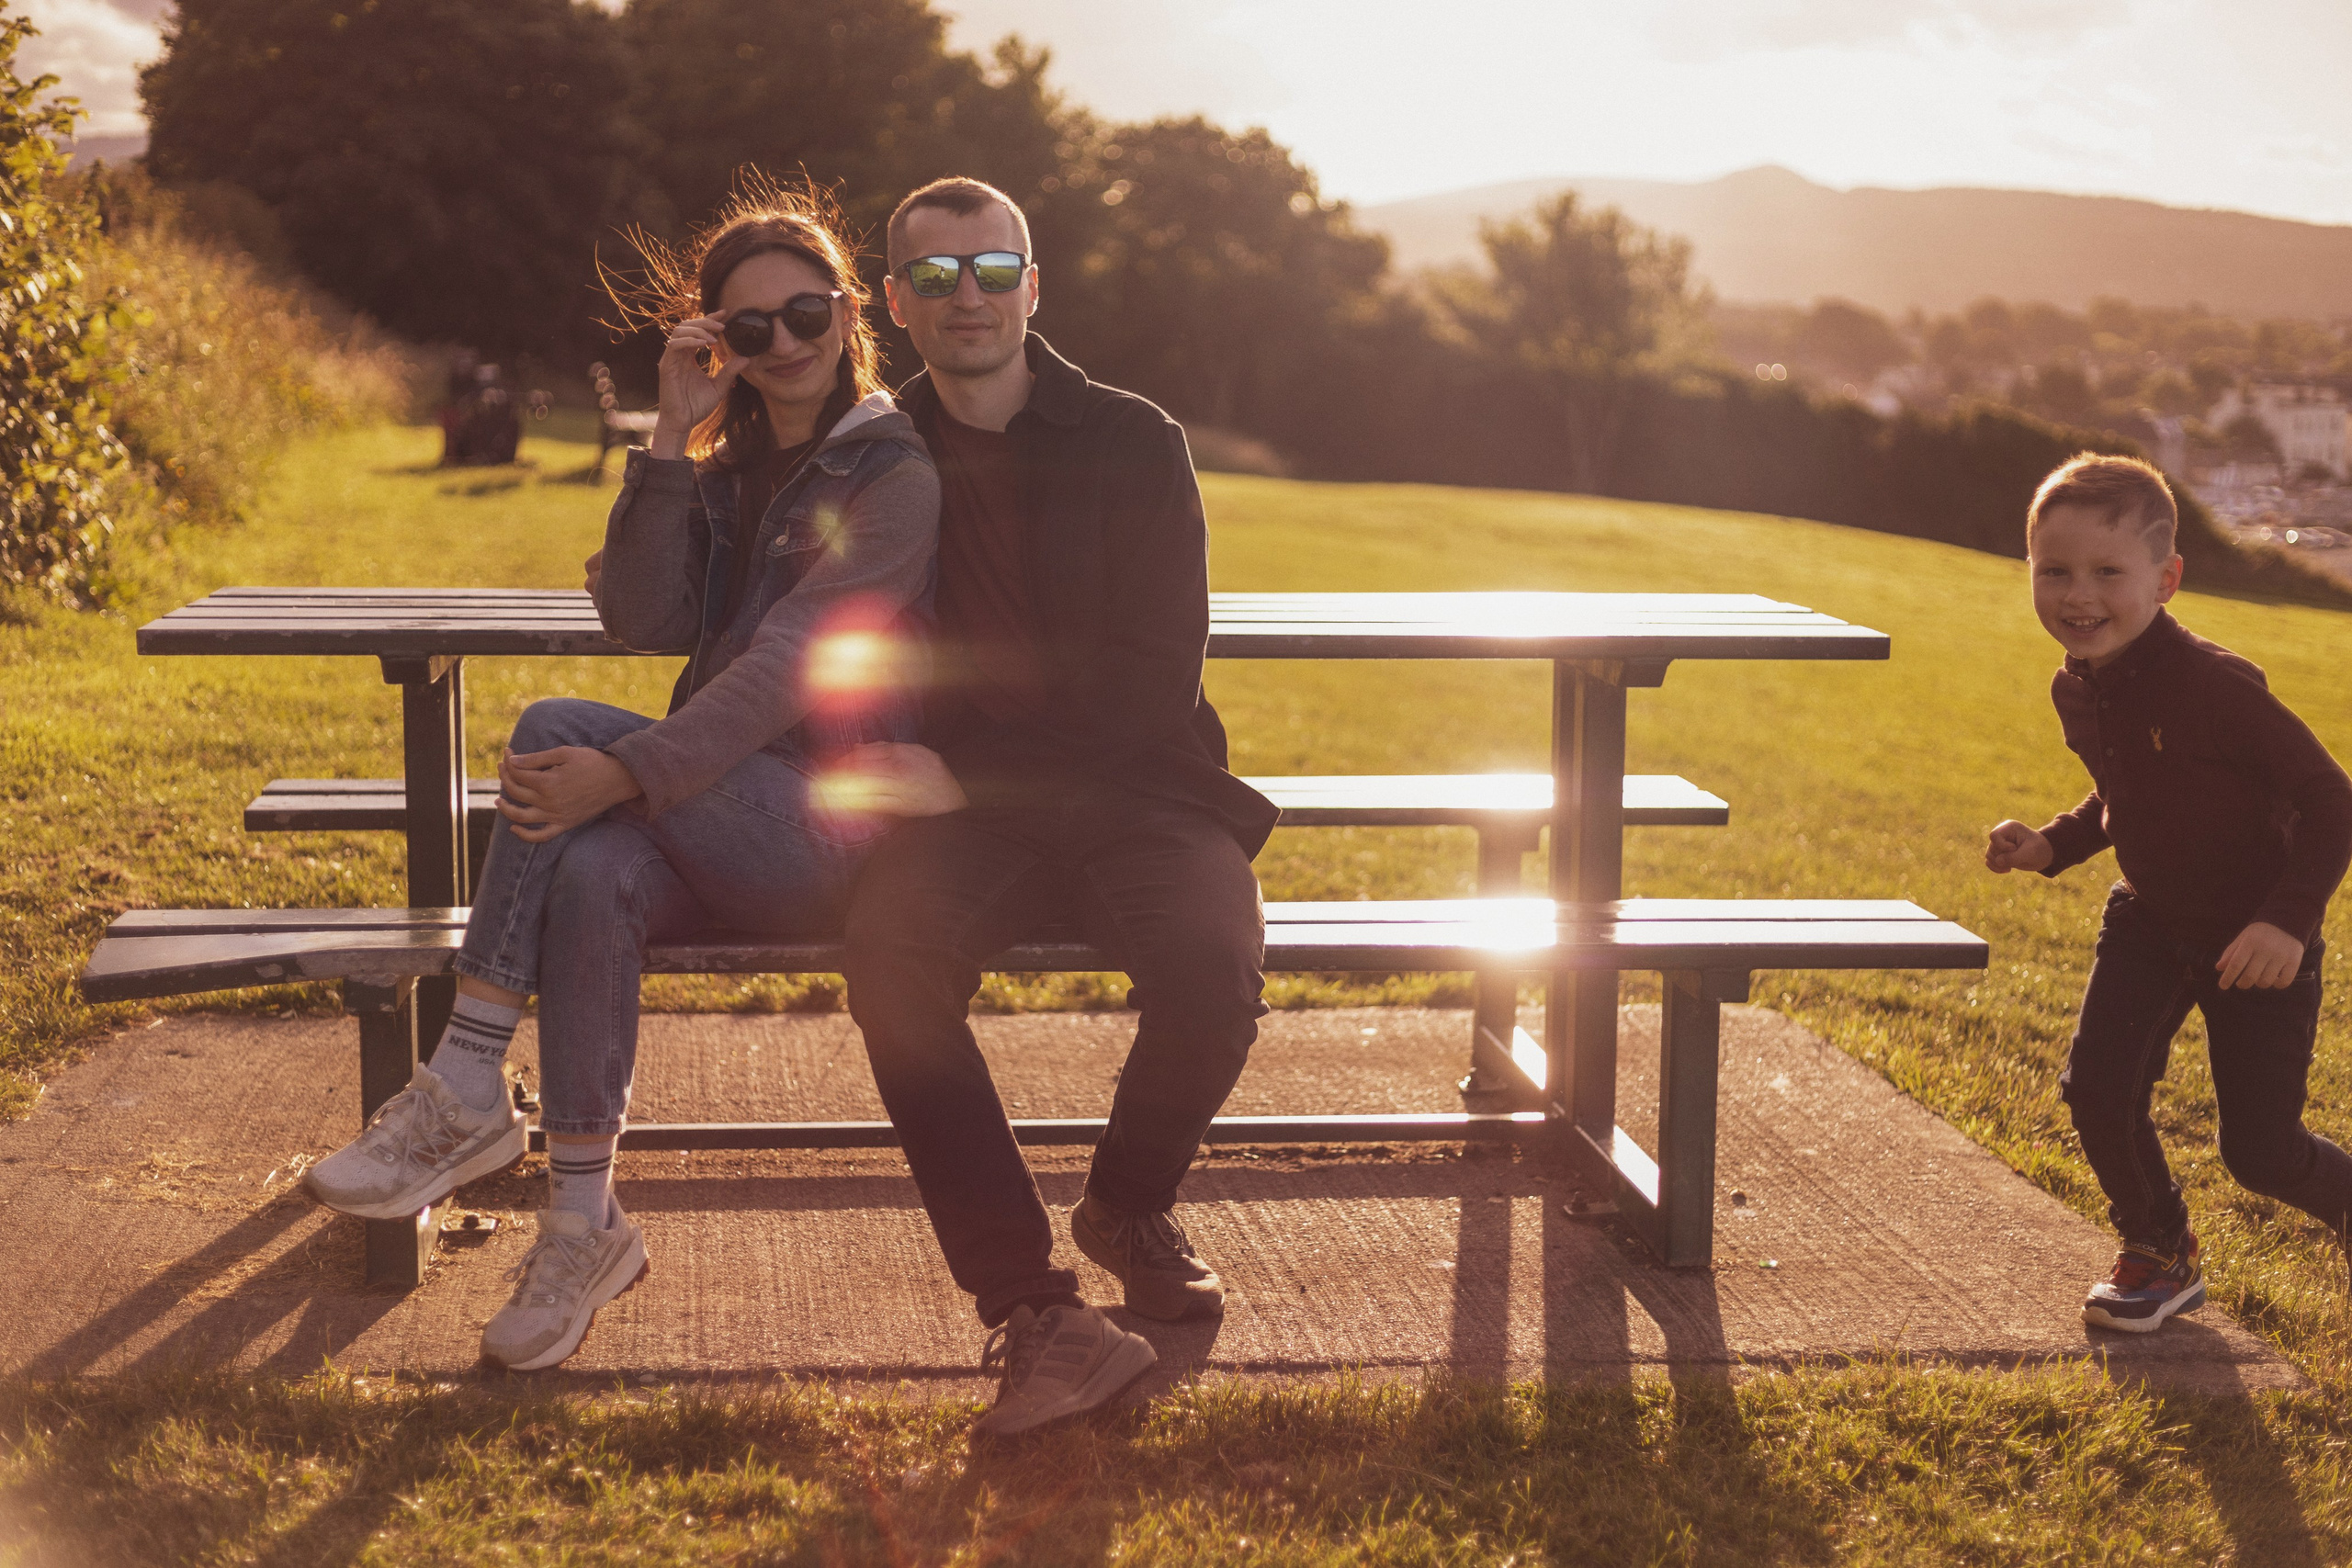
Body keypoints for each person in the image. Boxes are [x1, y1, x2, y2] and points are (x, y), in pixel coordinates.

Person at [304, 185, 942, 1371]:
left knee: (555, 726)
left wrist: (631, 768)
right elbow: (640, 614)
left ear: (852, 312)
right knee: (591, 865)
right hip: (720, 813)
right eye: (748, 329)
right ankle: (582, 1219)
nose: (785, 343)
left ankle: (462, 1079)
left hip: (835, 833)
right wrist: (667, 437)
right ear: (717, 345)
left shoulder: (891, 477)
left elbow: (791, 666)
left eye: (806, 313)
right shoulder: (729, 471)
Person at [838, 177, 1280, 1438]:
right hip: (965, 816)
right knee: (891, 961)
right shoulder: (874, 447)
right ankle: (1033, 1306)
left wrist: (973, 775)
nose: (965, 296)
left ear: (1034, 286)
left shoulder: (1135, 437)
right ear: (896, 303)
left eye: (991, 269)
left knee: (1212, 966)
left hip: (1140, 785)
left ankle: (1129, 1201)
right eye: (934, 276)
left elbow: (1155, 678)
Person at [1985, 453, 2352, 1334]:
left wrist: (2286, 922)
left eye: (2109, 572)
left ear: (2167, 578)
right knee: (2097, 1091)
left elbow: (2331, 799)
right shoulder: (2078, 682)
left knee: (2260, 1153)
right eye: (2055, 571)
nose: (2079, 594)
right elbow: (2123, 793)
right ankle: (2161, 1249)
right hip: (2149, 921)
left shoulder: (2216, 687)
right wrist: (2053, 843)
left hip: (2254, 941)